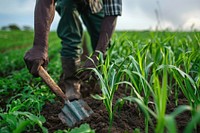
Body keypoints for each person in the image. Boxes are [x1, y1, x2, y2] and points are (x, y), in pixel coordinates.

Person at [24, 0, 122, 101]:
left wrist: (97, 56)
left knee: (102, 41)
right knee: (69, 25)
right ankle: (72, 84)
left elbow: (112, 13)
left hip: (96, 4)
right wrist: (40, 46)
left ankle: (100, 80)